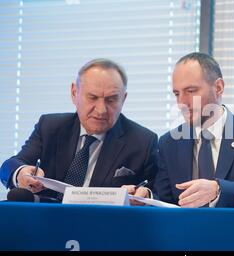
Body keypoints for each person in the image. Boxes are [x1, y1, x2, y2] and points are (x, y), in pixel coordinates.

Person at [129, 52, 234, 207]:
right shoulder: (169, 143)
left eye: (191, 91)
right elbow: (165, 199)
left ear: (218, 87)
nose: (181, 102)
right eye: (177, 94)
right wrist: (145, 196)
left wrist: (219, 190)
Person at [0, 58, 158, 200]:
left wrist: (145, 195)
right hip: (47, 222)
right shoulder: (50, 127)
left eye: (111, 99)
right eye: (93, 97)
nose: (101, 110)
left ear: (123, 99)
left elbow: (155, 193)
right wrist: (20, 172)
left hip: (104, 226)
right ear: (74, 93)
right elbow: (10, 166)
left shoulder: (143, 141)